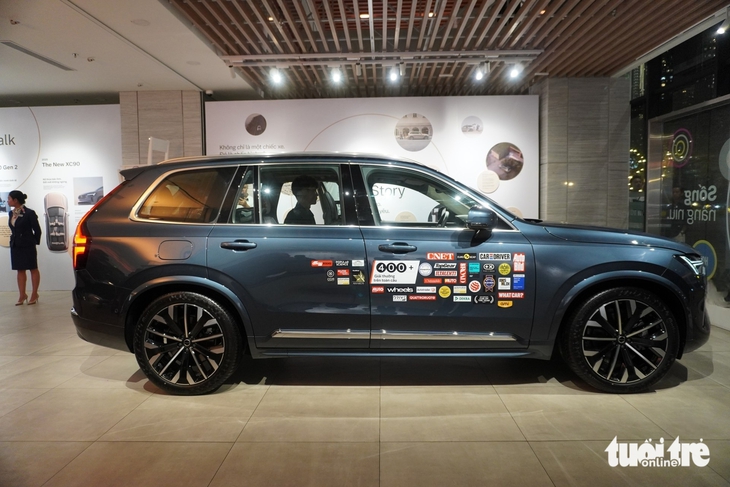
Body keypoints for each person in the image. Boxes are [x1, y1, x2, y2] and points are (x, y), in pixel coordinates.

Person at [7, 190, 42, 305]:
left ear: (15, 200)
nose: (7, 201)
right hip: (16, 245)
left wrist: (33, 242)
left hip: (27, 245)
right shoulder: (11, 213)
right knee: (20, 269)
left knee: (33, 268)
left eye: (9, 198)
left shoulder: (29, 213)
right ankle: (22, 294)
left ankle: (34, 294)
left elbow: (37, 230)